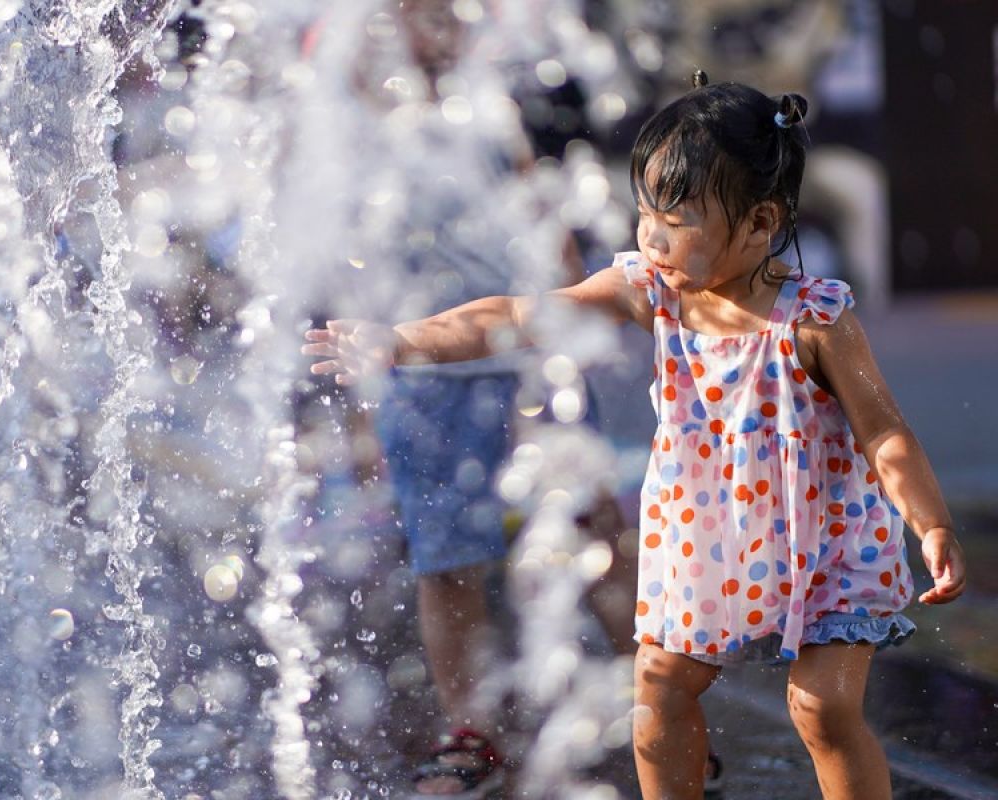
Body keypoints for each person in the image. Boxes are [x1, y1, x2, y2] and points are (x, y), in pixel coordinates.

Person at [303, 72, 967, 799]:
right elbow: (520, 315)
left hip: (825, 539)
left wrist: (928, 523)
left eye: (678, 219)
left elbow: (885, 432)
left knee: (822, 708)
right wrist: (403, 339)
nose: (650, 234)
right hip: (711, 534)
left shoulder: (813, 321)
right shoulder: (649, 290)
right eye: (646, 208)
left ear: (759, 224)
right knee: (656, 695)